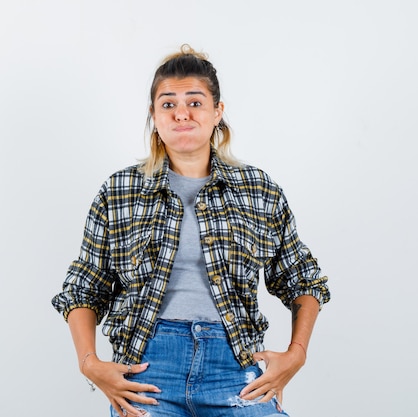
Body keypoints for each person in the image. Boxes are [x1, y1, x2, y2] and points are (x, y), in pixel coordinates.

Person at [51, 44, 330, 417]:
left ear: (218, 112)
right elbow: (84, 286)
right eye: (168, 104)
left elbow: (302, 280)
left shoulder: (259, 190)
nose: (181, 113)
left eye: (195, 102)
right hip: (148, 370)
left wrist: (297, 355)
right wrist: (89, 362)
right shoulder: (119, 191)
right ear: (154, 115)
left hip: (233, 369)